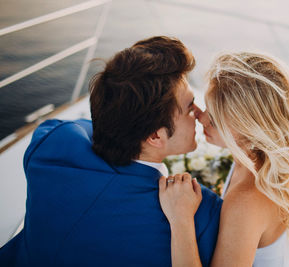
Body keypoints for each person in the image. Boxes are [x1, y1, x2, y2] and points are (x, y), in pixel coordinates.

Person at [0, 36, 222, 266]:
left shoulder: (51, 141)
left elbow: (84, 128)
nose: (199, 112)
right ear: (155, 136)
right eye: (189, 107)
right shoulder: (202, 216)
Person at [159, 52, 289, 266]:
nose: (201, 117)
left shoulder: (246, 200)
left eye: (215, 118)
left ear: (250, 130)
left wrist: (180, 219)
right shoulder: (260, 161)